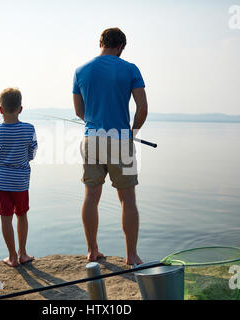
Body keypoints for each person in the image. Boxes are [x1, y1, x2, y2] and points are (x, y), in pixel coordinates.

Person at [72, 27, 148, 265]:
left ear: (100, 43)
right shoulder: (130, 69)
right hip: (120, 139)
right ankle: (131, 255)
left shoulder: (81, 70)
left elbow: (79, 111)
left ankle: (92, 251)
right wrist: (131, 133)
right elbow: (142, 108)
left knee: (91, 196)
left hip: (91, 138)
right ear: (121, 47)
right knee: (127, 199)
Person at [0, 88, 38, 267]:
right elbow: (31, 154)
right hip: (20, 182)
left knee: (5, 218)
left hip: (0, 181)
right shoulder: (29, 129)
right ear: (21, 108)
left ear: (1, 109)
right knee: (22, 215)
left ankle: (12, 257)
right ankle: (23, 253)